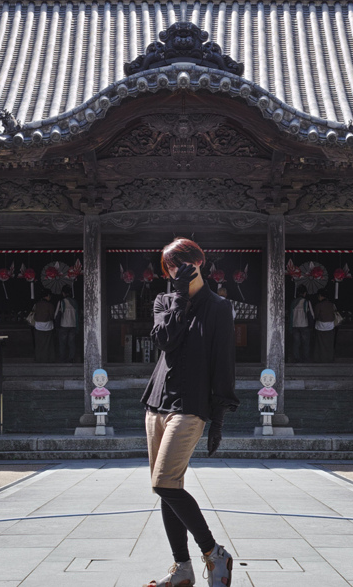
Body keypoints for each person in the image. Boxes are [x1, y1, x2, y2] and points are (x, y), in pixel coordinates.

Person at [142, 237, 238, 587]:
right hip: (157, 402)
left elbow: (223, 363)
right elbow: (165, 340)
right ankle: (182, 568)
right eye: (168, 267)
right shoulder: (164, 300)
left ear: (199, 263)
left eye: (180, 265)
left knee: (164, 481)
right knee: (165, 488)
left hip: (191, 404)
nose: (172, 272)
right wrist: (180, 294)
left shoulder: (219, 307)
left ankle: (214, 554)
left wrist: (219, 417)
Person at [54, 286, 80, 363]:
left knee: (62, 343)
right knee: (72, 343)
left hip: (64, 325)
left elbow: (56, 315)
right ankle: (71, 358)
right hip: (73, 325)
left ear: (63, 293)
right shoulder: (75, 302)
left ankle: (62, 359)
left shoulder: (62, 302)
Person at [288, 292, 314, 363]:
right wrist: (311, 325)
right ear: (304, 293)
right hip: (304, 325)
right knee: (305, 343)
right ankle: (305, 359)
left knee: (296, 343)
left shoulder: (293, 302)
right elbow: (311, 314)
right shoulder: (306, 302)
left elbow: (290, 314)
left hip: (295, 325)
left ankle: (296, 358)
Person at [313, 290, 337, 363]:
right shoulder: (332, 305)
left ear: (320, 296)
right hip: (330, 326)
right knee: (329, 344)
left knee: (320, 344)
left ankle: (320, 359)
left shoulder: (318, 305)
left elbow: (316, 316)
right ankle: (329, 359)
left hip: (320, 326)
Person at [32, 292, 55, 363]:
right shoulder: (50, 305)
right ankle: (48, 359)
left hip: (38, 326)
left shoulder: (36, 305)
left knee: (39, 344)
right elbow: (52, 316)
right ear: (47, 296)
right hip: (48, 326)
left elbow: (33, 314)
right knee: (48, 344)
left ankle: (39, 359)